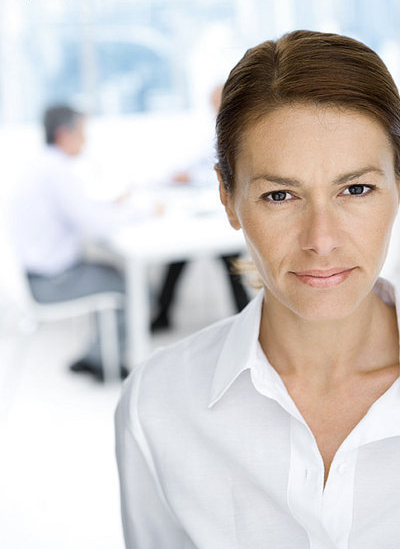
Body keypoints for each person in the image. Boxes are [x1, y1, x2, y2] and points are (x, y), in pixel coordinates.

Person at [115, 30, 400, 547]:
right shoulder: (157, 405)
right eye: (280, 195)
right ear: (227, 197)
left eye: (355, 189)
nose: (322, 240)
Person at [11, 105, 145, 381]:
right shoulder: (57, 172)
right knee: (134, 287)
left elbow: (79, 211)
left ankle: (96, 354)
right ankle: (102, 361)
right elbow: (96, 225)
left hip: (42, 275)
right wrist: (138, 211)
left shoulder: (43, 166)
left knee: (111, 277)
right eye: (82, 133)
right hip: (53, 282)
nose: (85, 141)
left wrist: (106, 206)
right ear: (63, 134)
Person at [151, 85, 250, 331]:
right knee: (179, 256)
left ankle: (246, 315)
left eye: (218, 103)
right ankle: (163, 314)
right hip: (206, 209)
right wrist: (185, 174)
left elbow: (234, 174)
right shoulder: (218, 130)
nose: (215, 110)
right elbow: (200, 162)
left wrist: (198, 176)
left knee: (228, 259)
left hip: (225, 213)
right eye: (213, 105)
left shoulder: (246, 131)